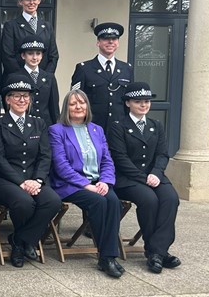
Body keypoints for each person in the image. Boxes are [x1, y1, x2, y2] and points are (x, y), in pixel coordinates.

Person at [0, 74, 61, 268]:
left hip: (33, 179)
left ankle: (20, 241)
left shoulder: (38, 123)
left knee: (53, 201)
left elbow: (45, 156)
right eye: (16, 95)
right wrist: (21, 182)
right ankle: (24, 245)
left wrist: (38, 180)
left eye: (25, 96)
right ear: (8, 99)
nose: (22, 100)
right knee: (24, 202)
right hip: (4, 180)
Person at [49, 89, 124, 278]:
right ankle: (107, 257)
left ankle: (108, 256)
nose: (78, 106)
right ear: (66, 107)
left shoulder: (97, 130)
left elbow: (107, 160)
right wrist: (85, 184)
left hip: (97, 182)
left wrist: (105, 181)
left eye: (82, 102)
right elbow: (61, 165)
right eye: (73, 103)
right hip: (69, 184)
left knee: (114, 202)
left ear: (87, 106)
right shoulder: (57, 130)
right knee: (98, 202)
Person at [107, 82, 181, 274]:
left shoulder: (156, 125)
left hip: (154, 176)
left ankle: (158, 251)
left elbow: (162, 154)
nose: (143, 105)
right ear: (127, 103)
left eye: (146, 101)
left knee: (171, 198)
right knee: (149, 199)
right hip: (127, 179)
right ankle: (156, 252)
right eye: (138, 101)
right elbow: (120, 159)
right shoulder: (118, 126)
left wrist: (156, 173)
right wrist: (144, 177)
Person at [71, 22, 133, 129]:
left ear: (118, 43)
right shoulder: (84, 68)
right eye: (106, 39)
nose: (110, 42)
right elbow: (75, 99)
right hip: (92, 126)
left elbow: (131, 100)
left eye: (114, 39)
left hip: (119, 128)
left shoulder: (127, 69)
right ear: (98, 42)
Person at [1, 0, 59, 77]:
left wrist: (45, 77)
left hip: (43, 81)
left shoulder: (47, 26)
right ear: (20, 1)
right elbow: (7, 56)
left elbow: (53, 56)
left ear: (39, 0)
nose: (31, 2)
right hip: (18, 81)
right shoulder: (11, 26)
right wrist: (25, 78)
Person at [17, 34, 60, 125]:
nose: (34, 57)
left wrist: (56, 127)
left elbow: (54, 108)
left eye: (38, 53)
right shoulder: (16, 77)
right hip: (24, 125)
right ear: (23, 55)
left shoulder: (49, 77)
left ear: (42, 56)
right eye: (30, 53)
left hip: (45, 125)